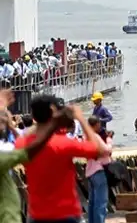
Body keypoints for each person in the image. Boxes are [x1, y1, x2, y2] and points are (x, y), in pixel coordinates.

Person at [15, 95, 109, 223]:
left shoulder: (22, 144)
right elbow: (98, 150)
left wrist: (51, 122)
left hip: (37, 213)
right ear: (53, 113)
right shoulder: (63, 143)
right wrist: (81, 119)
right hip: (66, 212)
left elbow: (28, 134)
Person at [0, 89, 76, 223]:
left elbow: (24, 144)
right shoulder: (5, 154)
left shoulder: (9, 149)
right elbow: (100, 150)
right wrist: (52, 123)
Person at [85, 116, 113, 223]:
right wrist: (109, 140)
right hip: (99, 171)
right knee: (101, 203)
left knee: (92, 203)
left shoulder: (85, 136)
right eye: (99, 124)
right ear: (96, 124)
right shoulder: (95, 136)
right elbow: (107, 150)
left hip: (90, 172)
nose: (100, 126)